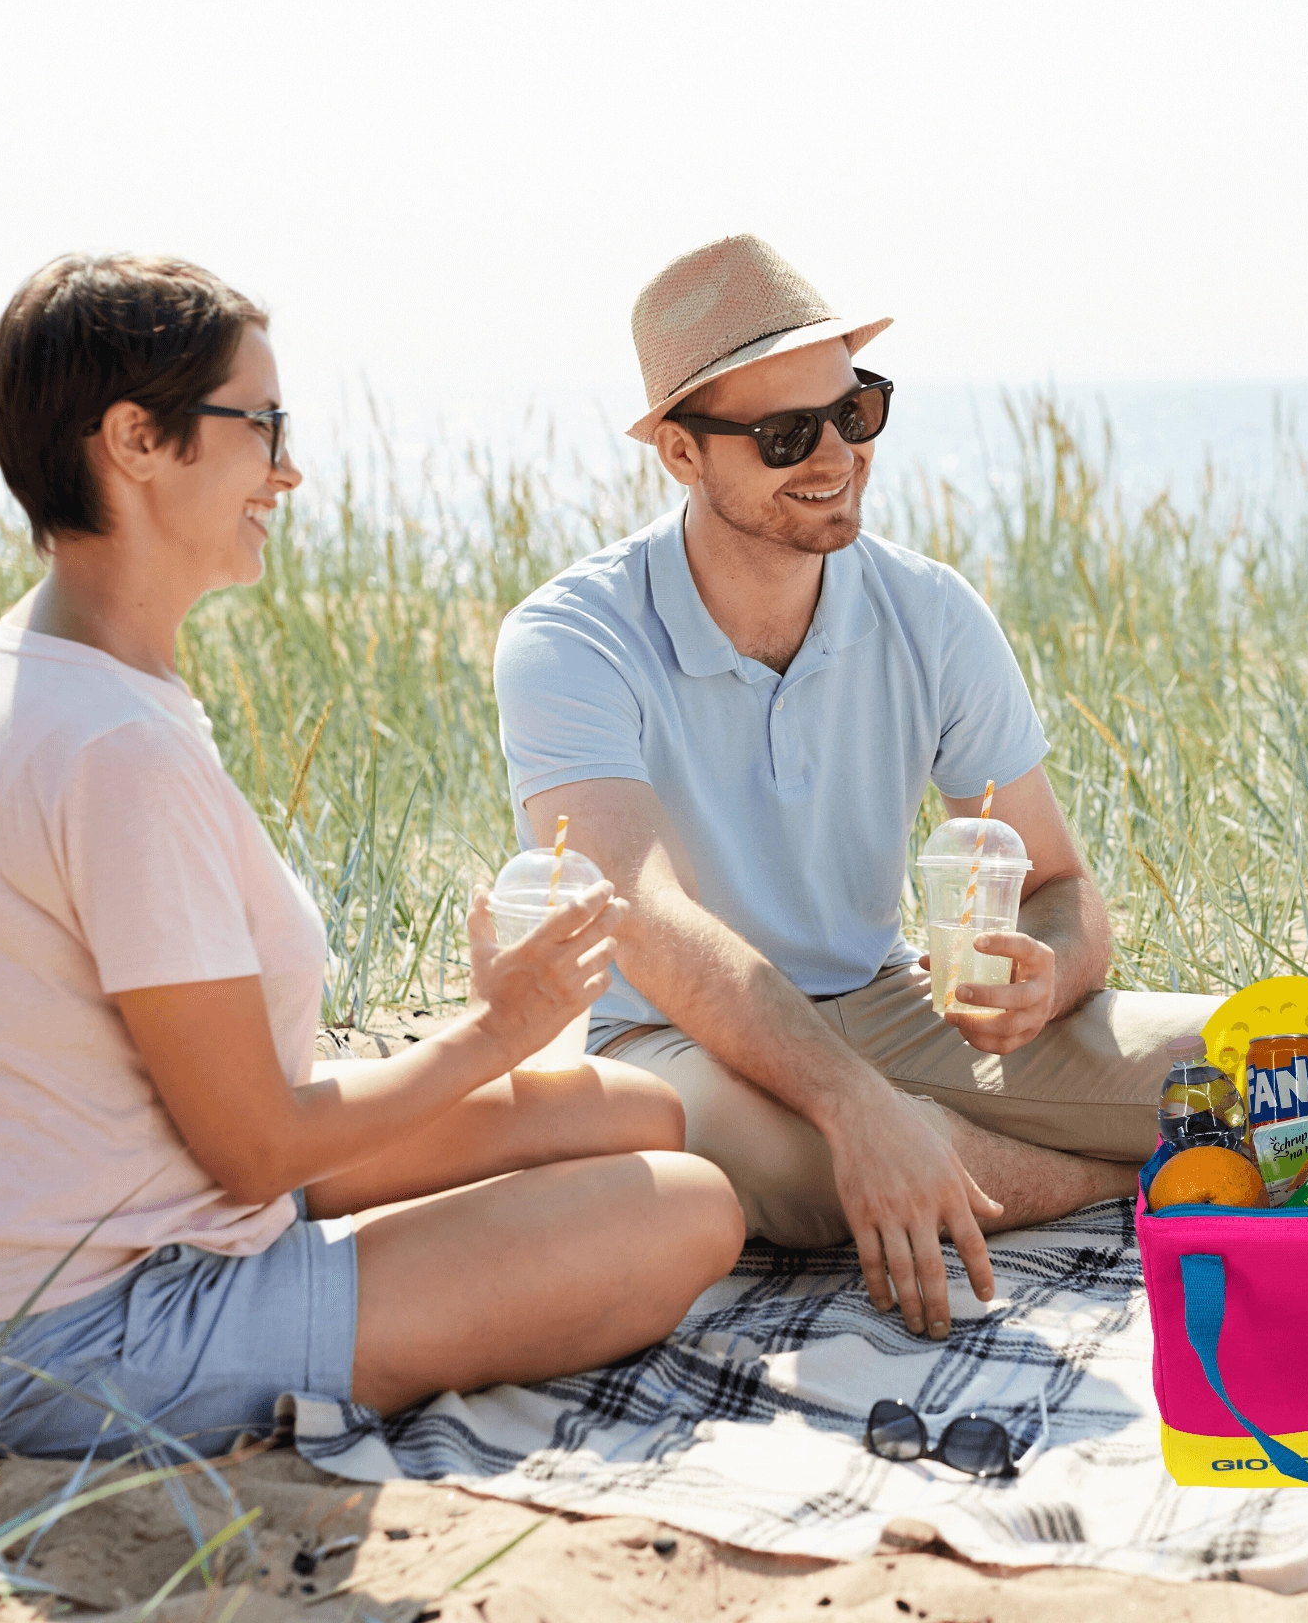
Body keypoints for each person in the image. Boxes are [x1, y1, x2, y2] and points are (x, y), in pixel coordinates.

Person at [0, 252, 744, 1460]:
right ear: (136, 440)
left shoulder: (63, 669)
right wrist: (497, 1029)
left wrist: (494, 1047)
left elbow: (216, 1113)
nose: (286, 469)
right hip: (82, 1333)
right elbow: (256, 1151)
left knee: (638, 1108)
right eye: (262, 424)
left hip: (119, 1221)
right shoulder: (112, 746)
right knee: (689, 1211)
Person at [493, 234, 1221, 1345]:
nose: (836, 454)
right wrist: (854, 1106)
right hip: (667, 1036)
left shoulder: (931, 612)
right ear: (681, 453)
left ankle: (955, 1150)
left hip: (887, 1005)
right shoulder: (570, 637)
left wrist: (1048, 971)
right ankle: (1120, 1182)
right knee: (800, 1164)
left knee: (1274, 1065)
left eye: (855, 409)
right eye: (785, 434)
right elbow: (641, 913)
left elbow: (1059, 883)